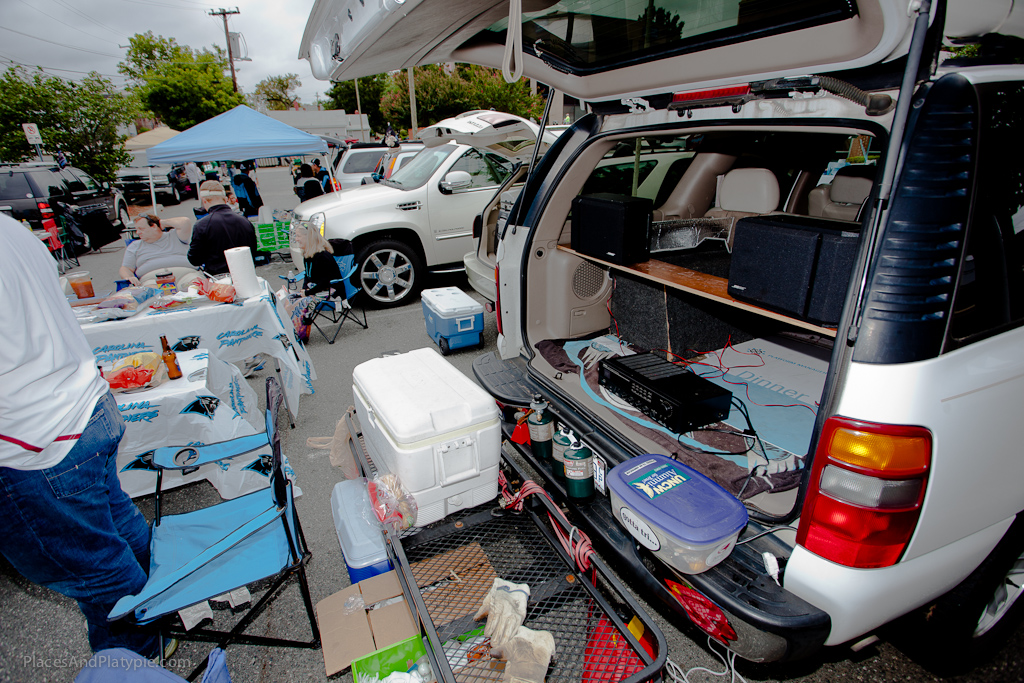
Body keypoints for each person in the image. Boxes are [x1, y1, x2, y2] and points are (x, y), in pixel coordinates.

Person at [0, 213, 160, 659]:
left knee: (101, 570)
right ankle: (162, 617)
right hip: (80, 407)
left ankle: (138, 663)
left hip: (34, 437)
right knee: (119, 531)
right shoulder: (9, 226)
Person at [283, 224, 343, 342]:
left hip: (331, 291)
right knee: (289, 298)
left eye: (299, 236)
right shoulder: (308, 255)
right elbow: (307, 276)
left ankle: (300, 335)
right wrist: (304, 290)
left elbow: (325, 283)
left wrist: (307, 292)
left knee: (301, 303)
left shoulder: (322, 256)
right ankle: (289, 331)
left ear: (308, 237)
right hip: (317, 290)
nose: (296, 239)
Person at [188, 179, 258, 275]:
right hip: (246, 274)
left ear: (204, 201)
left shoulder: (202, 225)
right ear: (225, 200)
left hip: (218, 279)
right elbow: (253, 251)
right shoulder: (244, 220)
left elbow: (195, 259)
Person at [120, 214, 200, 288]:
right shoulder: (135, 246)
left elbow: (185, 222)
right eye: (136, 229)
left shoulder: (175, 236)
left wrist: (162, 222)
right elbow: (126, 268)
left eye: (141, 229)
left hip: (185, 274)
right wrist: (129, 277)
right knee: (151, 293)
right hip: (151, 279)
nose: (138, 232)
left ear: (154, 226)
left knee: (196, 286)